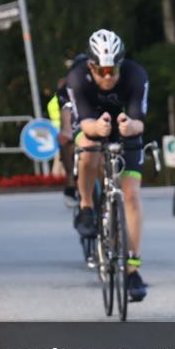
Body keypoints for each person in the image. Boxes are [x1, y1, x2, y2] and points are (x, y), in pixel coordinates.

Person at [67, 30, 150, 302]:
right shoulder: (78, 77)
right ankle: (87, 207)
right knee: (89, 148)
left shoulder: (136, 75)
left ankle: (133, 269)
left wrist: (128, 126)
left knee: (132, 195)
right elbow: (84, 123)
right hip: (91, 125)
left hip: (126, 130)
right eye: (101, 70)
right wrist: (98, 127)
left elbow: (140, 122)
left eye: (112, 69)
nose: (107, 76)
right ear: (91, 66)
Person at [47, 53, 86, 208]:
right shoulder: (66, 89)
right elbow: (65, 112)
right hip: (72, 127)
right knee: (68, 149)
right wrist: (67, 132)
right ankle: (70, 185)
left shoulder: (97, 83)